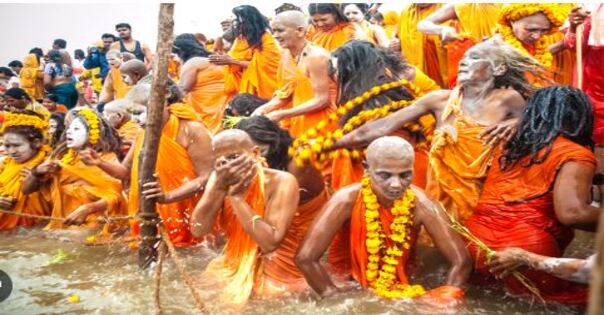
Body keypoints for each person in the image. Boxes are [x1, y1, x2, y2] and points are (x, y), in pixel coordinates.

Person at [332, 40, 548, 222]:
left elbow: (536, 131)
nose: (464, 61)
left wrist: (518, 122)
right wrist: (330, 144)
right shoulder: (439, 100)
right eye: (465, 56)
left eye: (474, 58)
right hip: (443, 196)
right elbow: (382, 126)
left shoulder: (509, 99)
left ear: (498, 69)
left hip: (489, 194)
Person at [465, 86, 601, 303]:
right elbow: (572, 213)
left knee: (490, 299)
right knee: (573, 300)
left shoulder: (509, 144)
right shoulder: (576, 153)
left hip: (475, 240)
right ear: (578, 117)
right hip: (526, 244)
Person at [296, 137, 471, 301]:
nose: (396, 184)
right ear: (366, 168)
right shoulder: (345, 200)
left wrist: (447, 299)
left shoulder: (423, 205)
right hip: (346, 281)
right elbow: (305, 258)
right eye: (385, 175)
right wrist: (334, 297)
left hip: (403, 284)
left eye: (404, 175)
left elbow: (461, 261)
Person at [84, 82, 213, 246]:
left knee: (188, 250)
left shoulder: (192, 129)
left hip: (187, 211)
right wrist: (99, 162)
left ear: (163, 101)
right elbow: (125, 171)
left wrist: (167, 197)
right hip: (151, 213)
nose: (136, 120)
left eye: (139, 112)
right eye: (132, 114)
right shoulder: (144, 132)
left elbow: (207, 177)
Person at [189, 129, 302, 307]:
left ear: (255, 153)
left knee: (268, 295)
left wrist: (237, 198)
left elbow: (270, 243)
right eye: (222, 161)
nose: (229, 167)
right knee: (203, 288)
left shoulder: (282, 181)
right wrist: (218, 187)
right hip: (234, 260)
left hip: (275, 264)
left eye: (234, 157)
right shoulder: (220, 177)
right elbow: (198, 229)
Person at [22, 108, 126, 239]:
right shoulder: (60, 157)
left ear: (93, 133)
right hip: (60, 221)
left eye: (76, 129)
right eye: (68, 128)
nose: (69, 132)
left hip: (92, 224)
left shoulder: (105, 159)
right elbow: (26, 190)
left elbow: (118, 195)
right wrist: (36, 172)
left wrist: (88, 208)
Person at [252, 10, 335, 138]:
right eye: (273, 31)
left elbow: (322, 100)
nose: (275, 35)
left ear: (300, 31)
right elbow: (287, 92)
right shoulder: (286, 55)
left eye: (280, 31)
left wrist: (283, 114)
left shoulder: (316, 56)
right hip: (300, 118)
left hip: (323, 122)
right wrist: (265, 108)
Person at [417, 4, 502, 86]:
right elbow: (423, 24)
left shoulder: (507, 6)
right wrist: (443, 29)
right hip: (471, 65)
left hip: (500, 61)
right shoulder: (462, 5)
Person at [209, 5, 281, 100]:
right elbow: (233, 57)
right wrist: (222, 58)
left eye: (240, 22)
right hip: (244, 85)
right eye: (236, 22)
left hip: (266, 87)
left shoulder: (266, 38)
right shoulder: (240, 39)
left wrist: (232, 61)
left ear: (250, 22)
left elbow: (264, 66)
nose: (237, 25)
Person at [565, 5, 604, 174]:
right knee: (592, 135)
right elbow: (572, 44)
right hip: (592, 84)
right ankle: (594, 184)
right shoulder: (592, 10)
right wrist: (574, 26)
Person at [0, 111, 51, 230]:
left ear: (36, 143)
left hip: (36, 228)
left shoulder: (48, 164)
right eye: (7, 146)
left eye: (17, 145)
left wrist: (36, 177)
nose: (12, 151)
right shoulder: (4, 164)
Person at [173, 35, 228, 134]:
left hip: (207, 108)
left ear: (182, 51)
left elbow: (184, 89)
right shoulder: (213, 57)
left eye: (176, 54)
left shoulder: (192, 63)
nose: (175, 59)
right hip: (223, 103)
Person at [495, 4, 566, 72]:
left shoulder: (538, 45)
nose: (537, 36)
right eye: (531, 30)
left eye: (544, 30)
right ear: (512, 22)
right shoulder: (495, 48)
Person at [394, 4, 448, 88]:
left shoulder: (448, 7)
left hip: (444, 75)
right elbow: (397, 41)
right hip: (416, 80)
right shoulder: (405, 14)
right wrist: (395, 45)